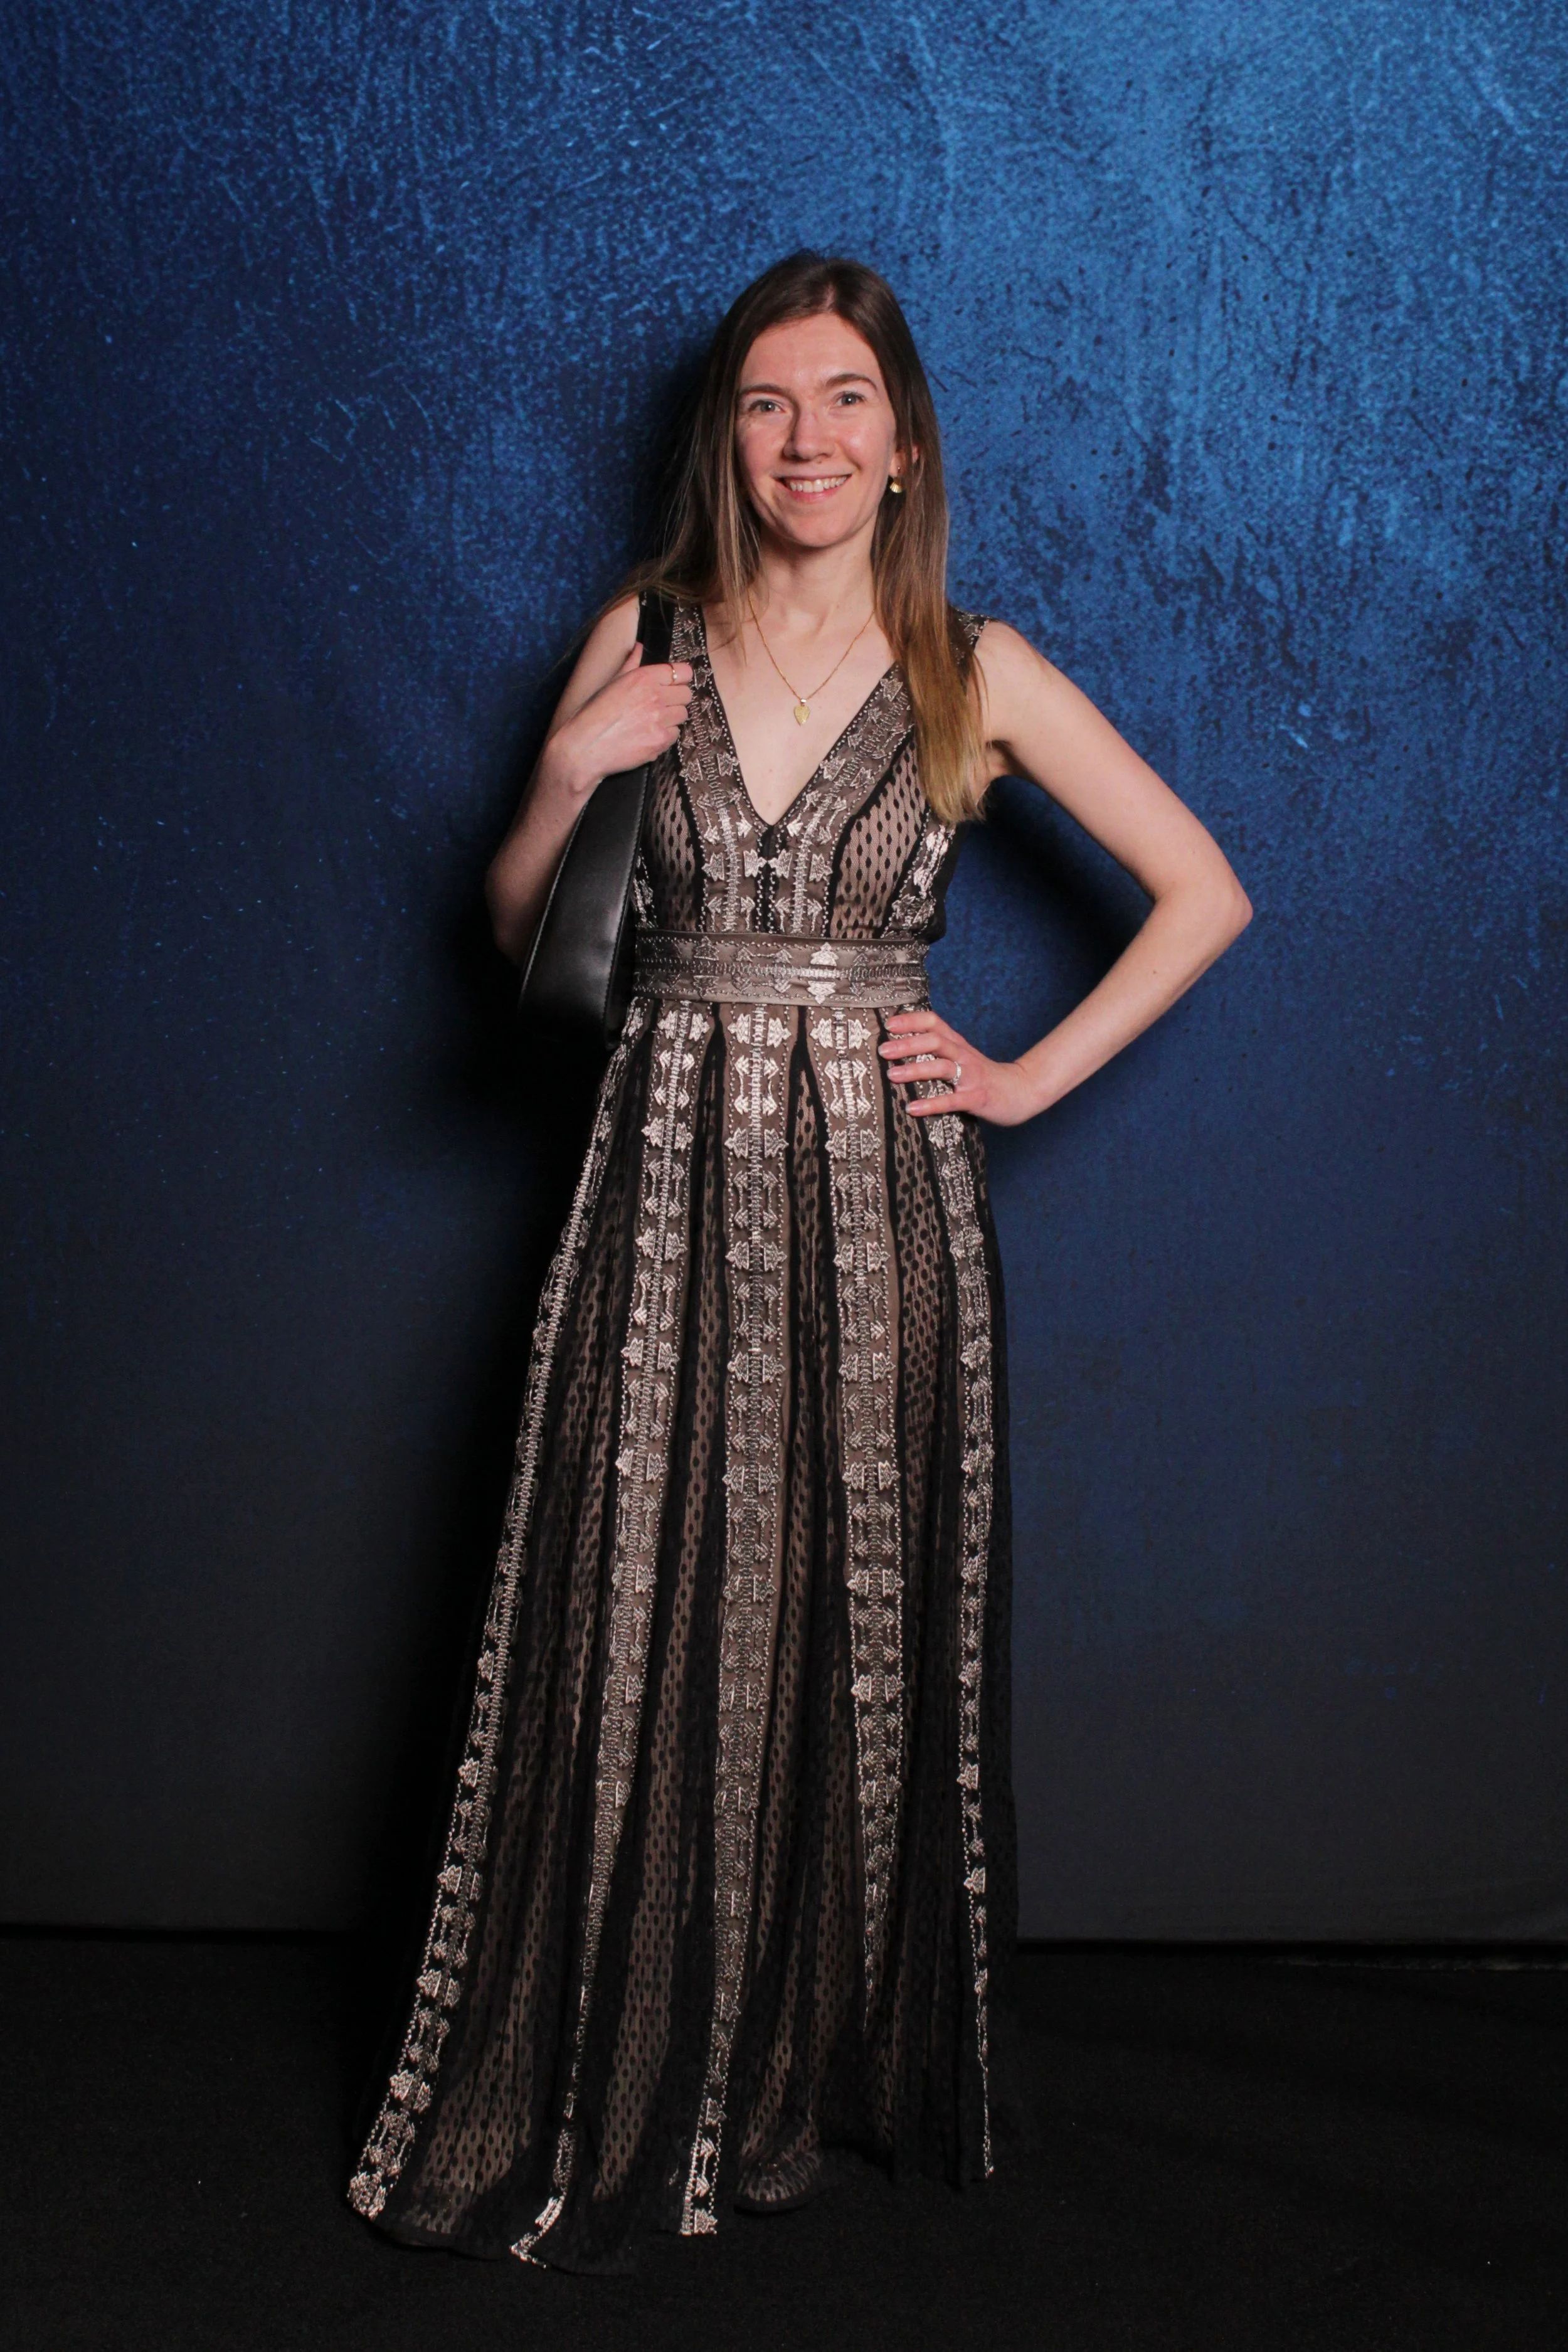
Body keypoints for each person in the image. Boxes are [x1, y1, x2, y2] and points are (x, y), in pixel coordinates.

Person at [348, 252, 1251, 2274]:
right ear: (727, 440)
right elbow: (515, 939)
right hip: (649, 1195)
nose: (807, 439)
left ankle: (791, 2085)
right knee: (624, 1608)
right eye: (768, 404)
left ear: (903, 445)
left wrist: (1017, 1078)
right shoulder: (641, 631)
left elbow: (1204, 890)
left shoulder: (974, 670)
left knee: (845, 1637)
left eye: (843, 400)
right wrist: (580, 763)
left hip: (877, 1210)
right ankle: (615, 2063)